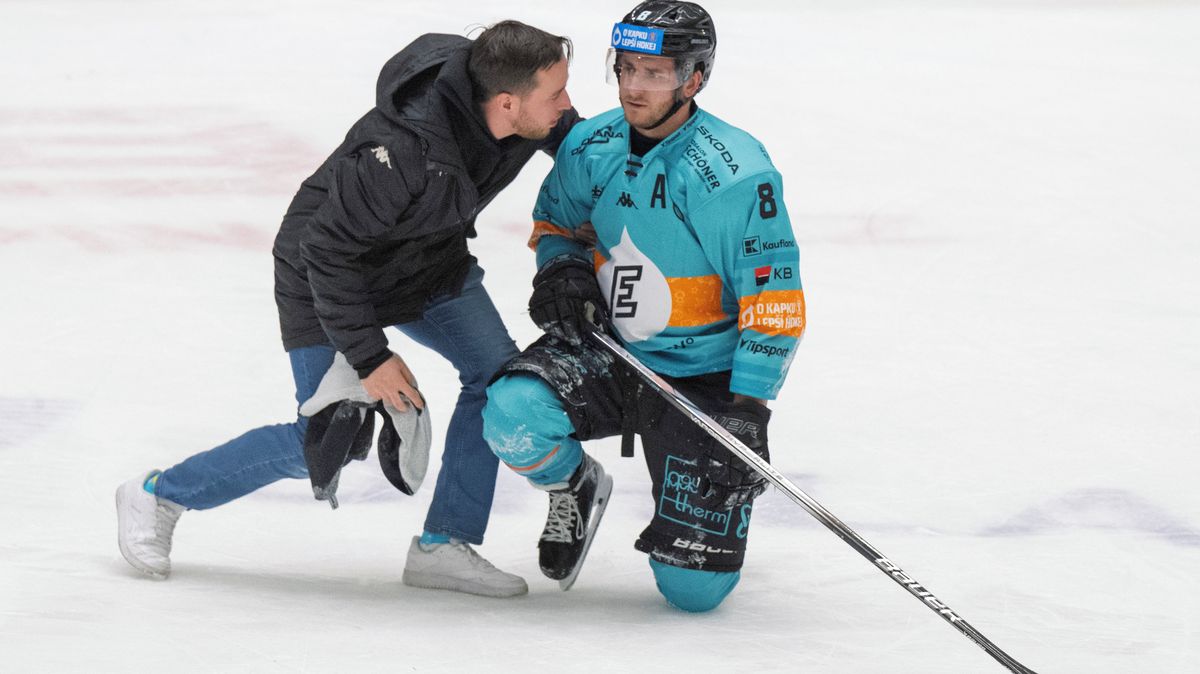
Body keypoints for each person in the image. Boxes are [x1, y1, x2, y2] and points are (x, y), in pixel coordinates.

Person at [115, 20, 579, 599]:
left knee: (499, 380)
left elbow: (588, 150)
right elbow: (328, 254)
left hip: (426, 263)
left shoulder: (517, 99)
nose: (566, 105)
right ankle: (161, 493)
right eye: (556, 94)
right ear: (507, 103)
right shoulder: (402, 150)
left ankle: (445, 545)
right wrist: (370, 357)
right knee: (329, 436)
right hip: (327, 272)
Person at [481, 1, 804, 611]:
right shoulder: (589, 144)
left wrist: (748, 408)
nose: (633, 85)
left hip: (702, 380)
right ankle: (573, 487)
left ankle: (705, 530)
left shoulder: (734, 175)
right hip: (611, 351)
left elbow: (776, 301)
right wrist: (562, 266)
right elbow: (556, 221)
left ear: (695, 78)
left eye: (654, 72)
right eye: (624, 67)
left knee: (692, 593)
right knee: (511, 412)